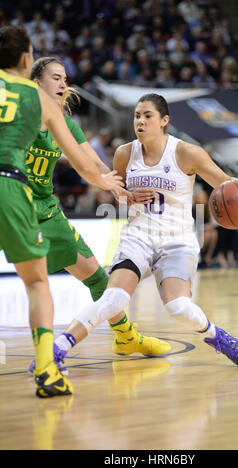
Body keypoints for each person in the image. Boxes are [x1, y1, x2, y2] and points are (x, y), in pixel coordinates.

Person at [50, 93, 238, 369]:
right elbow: (119, 194)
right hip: (138, 235)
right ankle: (59, 348)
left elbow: (224, 183)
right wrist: (128, 196)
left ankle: (217, 337)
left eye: (147, 115)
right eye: (137, 115)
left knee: (178, 308)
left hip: (177, 239)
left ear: (164, 120)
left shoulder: (187, 152)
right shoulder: (124, 153)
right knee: (113, 298)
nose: (140, 121)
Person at [0, 26, 123, 398]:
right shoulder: (38, 101)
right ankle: (47, 370)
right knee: (38, 284)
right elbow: (86, 166)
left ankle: (127, 335)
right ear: (27, 60)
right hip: (10, 186)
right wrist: (109, 183)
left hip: (39, 203)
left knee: (93, 275)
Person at [28, 58, 171, 375]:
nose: (64, 84)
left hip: (45, 210)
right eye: (55, 78)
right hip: (8, 202)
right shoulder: (16, 115)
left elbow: (92, 165)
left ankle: (126, 337)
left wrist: (124, 189)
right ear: (35, 82)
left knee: (99, 278)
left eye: (66, 78)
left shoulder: (66, 125)